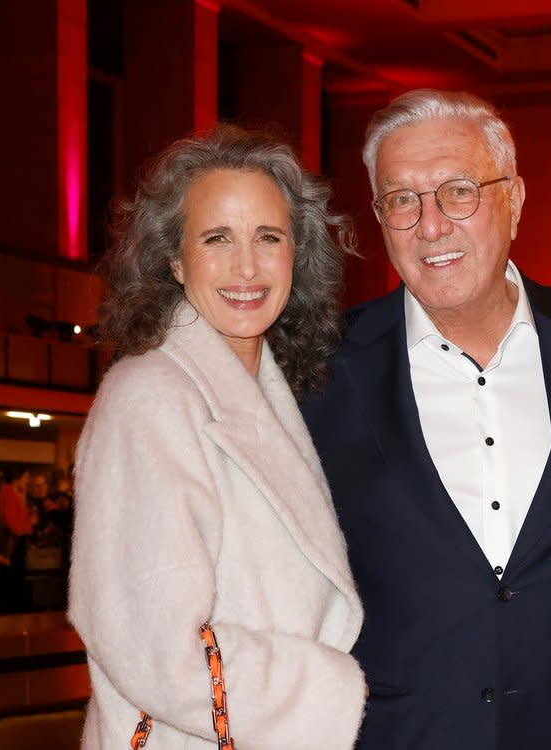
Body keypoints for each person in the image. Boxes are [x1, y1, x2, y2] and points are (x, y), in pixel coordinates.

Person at [301, 89, 551, 749]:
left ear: (516, 200)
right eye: (402, 200)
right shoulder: (318, 373)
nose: (431, 225)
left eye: (458, 191)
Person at [68, 126, 366, 750]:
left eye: (268, 238)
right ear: (174, 259)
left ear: (296, 256)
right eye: (217, 239)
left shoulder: (267, 392)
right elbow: (155, 644)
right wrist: (331, 692)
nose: (247, 267)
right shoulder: (148, 397)